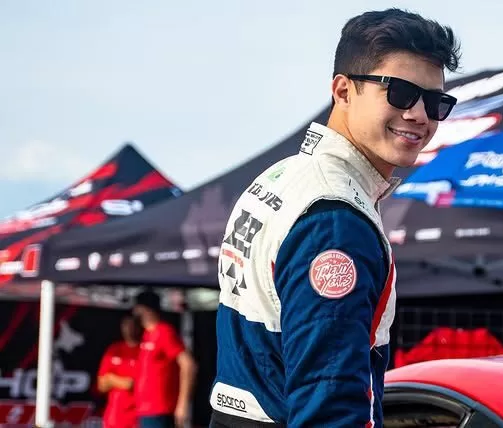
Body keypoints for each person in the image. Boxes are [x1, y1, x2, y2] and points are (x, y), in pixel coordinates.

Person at [209, 8, 461, 427]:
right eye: (400, 93)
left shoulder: (283, 177)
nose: (420, 114)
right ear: (343, 91)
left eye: (436, 103)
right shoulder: (335, 219)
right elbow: (329, 401)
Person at [133, 289, 197, 428]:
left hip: (160, 410)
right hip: (144, 410)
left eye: (137, 307)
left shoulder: (164, 332)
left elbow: (188, 364)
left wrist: (183, 404)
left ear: (145, 309)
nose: (134, 312)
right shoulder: (146, 335)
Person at [97, 314, 140, 428]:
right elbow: (101, 385)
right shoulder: (114, 349)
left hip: (136, 416)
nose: (128, 329)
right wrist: (116, 380)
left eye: (132, 325)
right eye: (125, 325)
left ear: (138, 327)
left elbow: (132, 384)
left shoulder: (144, 350)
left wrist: (111, 379)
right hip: (114, 416)